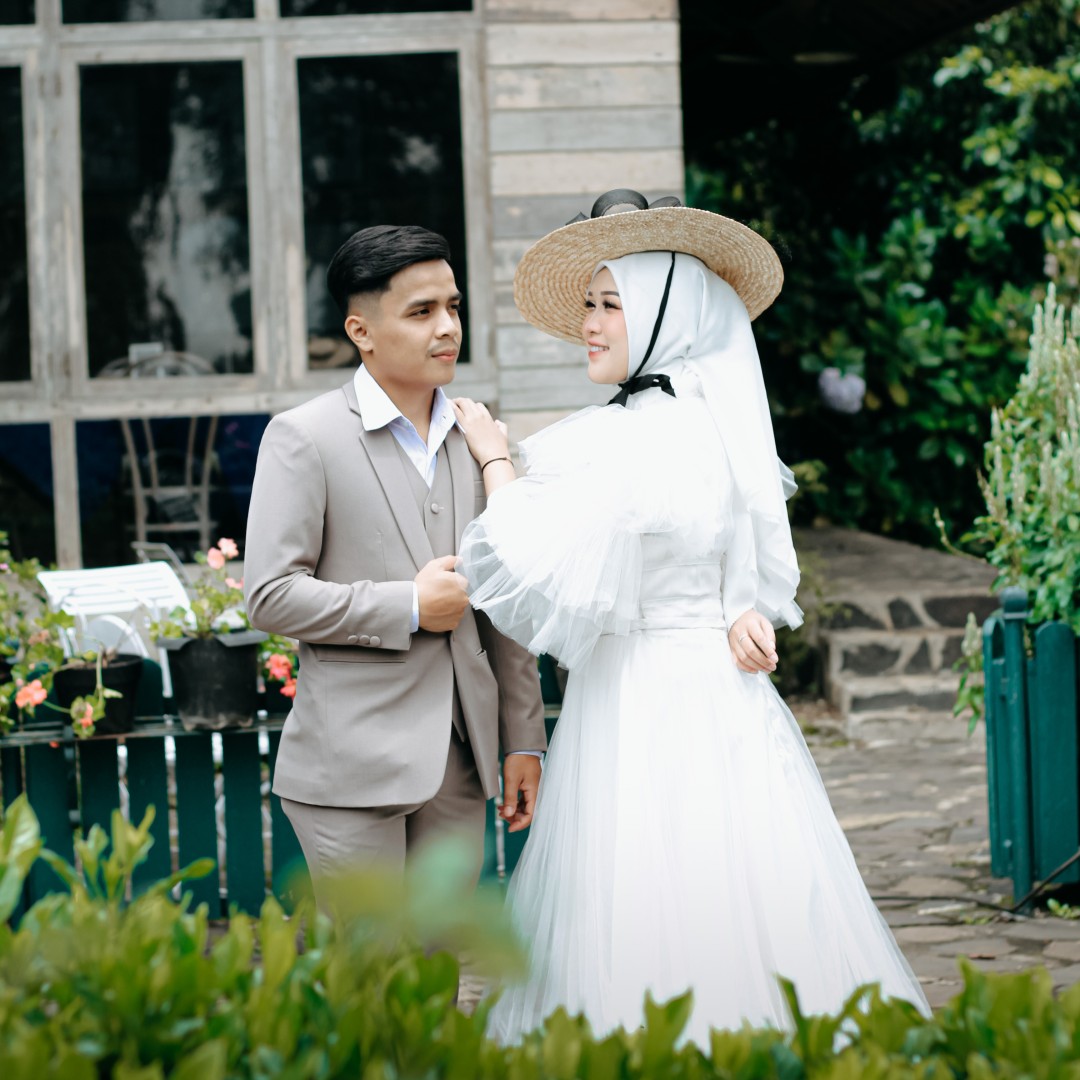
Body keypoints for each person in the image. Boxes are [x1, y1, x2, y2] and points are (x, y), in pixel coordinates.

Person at [451, 189, 931, 1044]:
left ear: (662, 319)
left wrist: (493, 458)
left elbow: (522, 555)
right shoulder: (716, 429)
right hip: (718, 689)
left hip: (639, 690)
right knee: (735, 879)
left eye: (610, 306)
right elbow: (742, 553)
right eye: (590, 305)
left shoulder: (623, 440)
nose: (589, 325)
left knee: (637, 884)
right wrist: (742, 609)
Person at [244, 224, 546, 906]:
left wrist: (524, 739)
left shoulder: (478, 439)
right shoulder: (304, 437)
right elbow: (269, 593)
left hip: (459, 764)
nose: (448, 327)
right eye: (421, 311)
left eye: (454, 306)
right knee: (372, 961)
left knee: (442, 955)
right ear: (362, 331)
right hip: (349, 770)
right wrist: (408, 605)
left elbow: (506, 602)